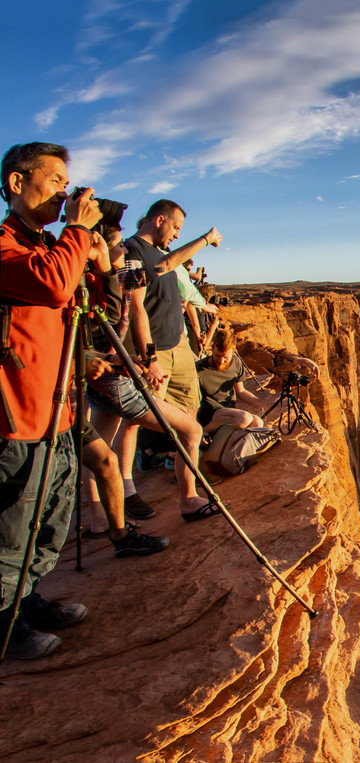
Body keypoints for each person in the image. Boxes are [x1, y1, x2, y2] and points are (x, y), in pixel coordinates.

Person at [0, 142, 109, 659]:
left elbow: (86, 297)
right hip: (16, 411)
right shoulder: (3, 244)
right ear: (18, 183)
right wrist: (78, 231)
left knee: (51, 513)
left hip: (59, 408)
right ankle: (3, 622)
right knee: (11, 522)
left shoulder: (46, 243)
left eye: (69, 183)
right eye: (57, 180)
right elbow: (51, 282)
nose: (66, 192)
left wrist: (94, 249)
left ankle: (28, 598)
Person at [120, 200, 224, 521]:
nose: (177, 235)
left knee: (189, 425)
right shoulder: (131, 250)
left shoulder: (163, 258)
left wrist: (190, 338)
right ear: (159, 219)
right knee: (136, 420)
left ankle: (188, 498)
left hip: (178, 350)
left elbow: (176, 279)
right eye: (176, 227)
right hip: (156, 353)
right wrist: (148, 357)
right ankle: (125, 491)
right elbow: (136, 307)